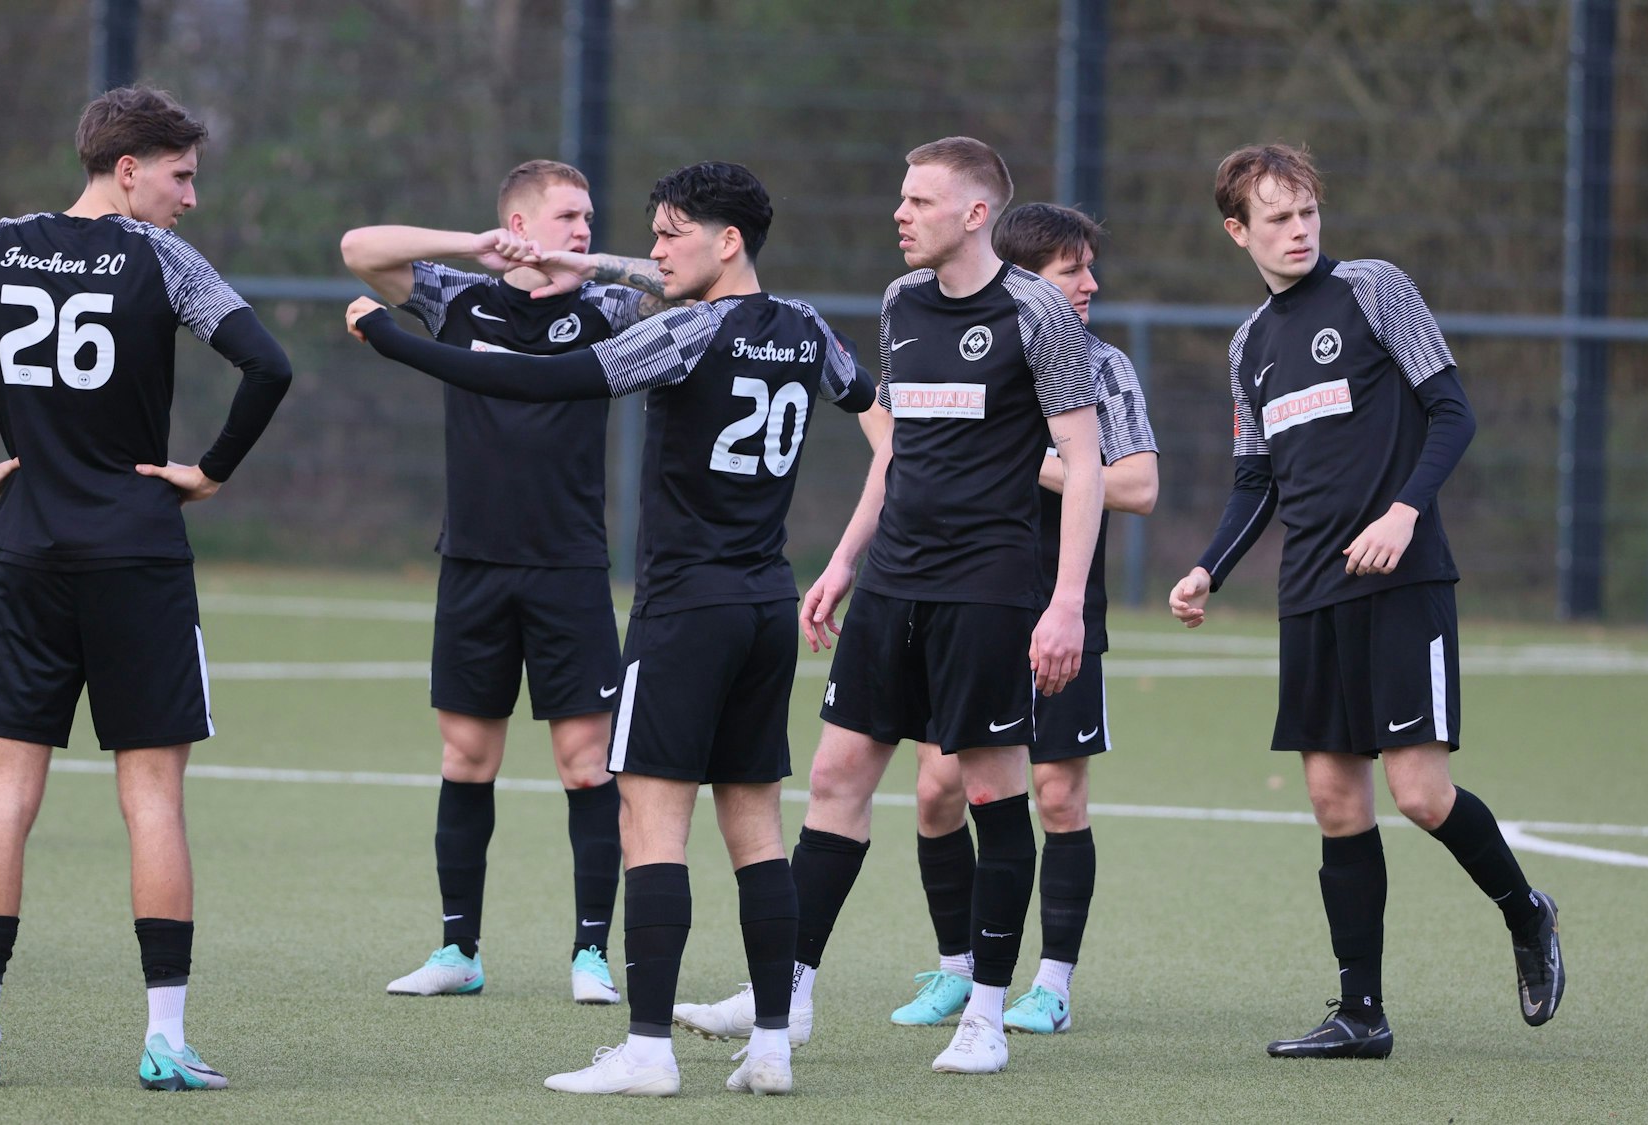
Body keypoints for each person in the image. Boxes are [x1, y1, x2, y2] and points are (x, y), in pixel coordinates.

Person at [348, 160, 876, 1097]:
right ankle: (771, 1046)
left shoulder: (680, 334)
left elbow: (538, 383)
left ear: (726, 242)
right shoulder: (809, 328)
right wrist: (847, 558)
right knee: (757, 827)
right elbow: (885, 424)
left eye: (671, 234)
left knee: (651, 819)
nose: (654, 249)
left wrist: (389, 339)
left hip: (685, 611)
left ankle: (647, 1049)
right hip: (766, 605)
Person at [0, 85, 292, 1089]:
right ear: (128, 168)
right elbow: (267, 366)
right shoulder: (161, 260)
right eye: (181, 176)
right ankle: (165, 1039)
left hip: (27, 550)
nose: (189, 197)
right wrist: (210, 471)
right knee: (151, 800)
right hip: (138, 556)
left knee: (5, 796)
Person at [673, 137, 1107, 1077]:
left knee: (991, 791)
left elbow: (1085, 466)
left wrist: (1066, 602)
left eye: (919, 200)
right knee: (835, 778)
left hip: (987, 590)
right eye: (901, 198)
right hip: (892, 583)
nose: (900, 215)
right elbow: (898, 446)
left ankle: (985, 1017)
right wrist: (843, 560)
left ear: (976, 213)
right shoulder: (901, 301)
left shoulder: (1037, 312)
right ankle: (789, 991)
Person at [1167, 142, 1564, 1059]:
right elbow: (1255, 481)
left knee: (1419, 793)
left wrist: (1402, 511)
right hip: (1309, 595)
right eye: (1277, 218)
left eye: (1307, 212)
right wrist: (1207, 569)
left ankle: (1526, 911)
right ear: (1237, 231)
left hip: (1403, 581)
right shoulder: (1247, 346)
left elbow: (1453, 412)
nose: (1298, 230)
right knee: (1334, 802)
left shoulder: (1376, 289)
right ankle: (1361, 1014)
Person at [339, 160, 658, 1005]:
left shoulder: (608, 306)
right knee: (467, 757)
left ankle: (591, 954)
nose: (584, 227)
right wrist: (470, 244)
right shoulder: (459, 297)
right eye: (568, 216)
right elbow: (359, 248)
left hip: (569, 567)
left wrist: (591, 262)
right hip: (474, 565)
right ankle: (459, 950)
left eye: (588, 215)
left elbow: (685, 284)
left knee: (585, 766)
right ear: (518, 224)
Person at [891, 204, 1156, 1037]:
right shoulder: (957, 342)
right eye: (1072, 270)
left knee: (1057, 794)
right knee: (937, 789)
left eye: (1088, 267)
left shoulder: (1103, 365)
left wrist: (1027, 457)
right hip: (963, 603)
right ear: (1024, 281)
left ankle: (1052, 984)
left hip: (1059, 608)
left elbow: (1138, 485)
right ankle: (956, 969)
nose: (1091, 283)